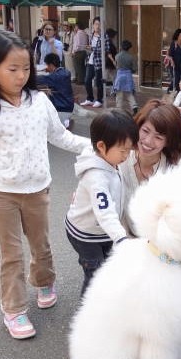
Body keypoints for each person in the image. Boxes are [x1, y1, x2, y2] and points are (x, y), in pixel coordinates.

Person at [0, 30, 91, 340]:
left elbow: (60, 136)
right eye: (12, 69)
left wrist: (96, 145)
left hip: (37, 189)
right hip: (2, 192)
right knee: (11, 254)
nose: (21, 76)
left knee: (41, 244)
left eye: (26, 68)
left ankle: (44, 281)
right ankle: (14, 309)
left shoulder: (39, 101)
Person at [66, 110, 139, 296]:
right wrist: (121, 238)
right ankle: (89, 312)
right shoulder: (97, 177)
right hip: (86, 235)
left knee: (107, 268)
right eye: (123, 151)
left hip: (102, 231)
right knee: (95, 275)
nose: (126, 156)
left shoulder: (110, 159)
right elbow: (105, 212)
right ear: (101, 145)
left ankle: (106, 300)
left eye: (129, 150)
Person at [119, 99, 181, 234]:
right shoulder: (119, 160)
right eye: (145, 131)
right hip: (120, 241)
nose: (148, 141)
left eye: (159, 137)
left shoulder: (177, 171)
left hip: (159, 247)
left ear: (169, 141)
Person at [36, 53, 74, 128]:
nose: (46, 67)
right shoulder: (64, 72)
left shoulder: (56, 76)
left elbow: (39, 79)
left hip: (61, 108)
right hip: (67, 106)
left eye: (47, 65)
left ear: (51, 65)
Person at [80, 17, 105, 108]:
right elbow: (91, 49)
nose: (97, 26)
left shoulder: (104, 36)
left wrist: (92, 48)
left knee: (99, 82)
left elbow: (106, 49)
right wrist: (88, 49)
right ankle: (90, 99)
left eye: (99, 24)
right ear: (93, 25)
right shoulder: (91, 35)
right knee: (87, 80)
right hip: (90, 61)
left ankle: (99, 100)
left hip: (99, 62)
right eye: (96, 24)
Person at [112, 39, 138, 115]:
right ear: (129, 48)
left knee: (119, 94)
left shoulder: (117, 56)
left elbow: (117, 67)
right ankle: (134, 106)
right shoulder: (131, 57)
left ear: (121, 47)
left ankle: (119, 109)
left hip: (119, 75)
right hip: (128, 75)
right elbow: (134, 69)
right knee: (129, 93)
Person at [167, 28, 181, 93]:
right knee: (175, 81)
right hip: (175, 66)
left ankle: (178, 94)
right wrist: (172, 61)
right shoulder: (174, 43)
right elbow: (169, 55)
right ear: (178, 35)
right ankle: (169, 92)